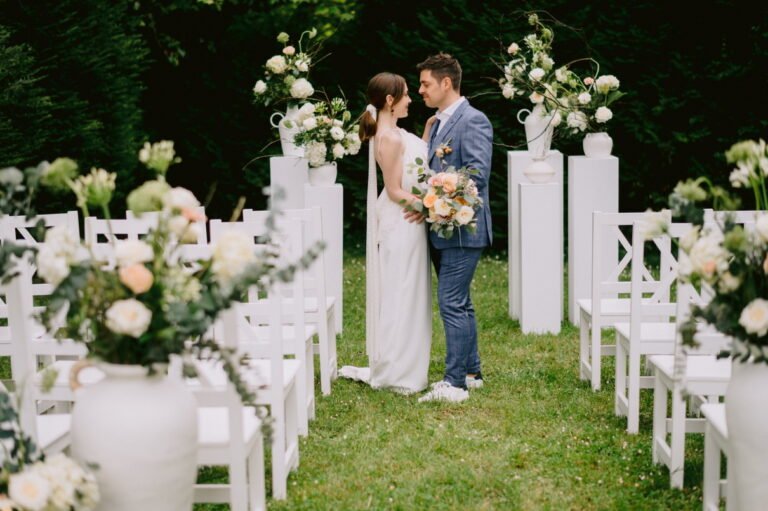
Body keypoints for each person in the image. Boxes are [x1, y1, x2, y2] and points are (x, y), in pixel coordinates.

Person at [338, 72, 433, 395]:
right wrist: (430, 205)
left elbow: (410, 167)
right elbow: (394, 190)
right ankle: (397, 370)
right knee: (401, 292)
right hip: (403, 220)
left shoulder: (393, 132)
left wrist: (427, 133)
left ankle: (403, 363)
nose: (411, 99)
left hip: (408, 220)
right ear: (390, 101)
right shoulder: (388, 137)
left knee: (406, 289)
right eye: (406, 94)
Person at [411, 53, 494, 403]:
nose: (420, 91)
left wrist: (435, 196)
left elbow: (477, 173)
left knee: (451, 303)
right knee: (461, 302)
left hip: (461, 228)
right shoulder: (439, 122)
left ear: (447, 83)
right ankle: (472, 373)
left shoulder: (473, 120)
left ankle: (455, 384)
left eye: (426, 83)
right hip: (441, 228)